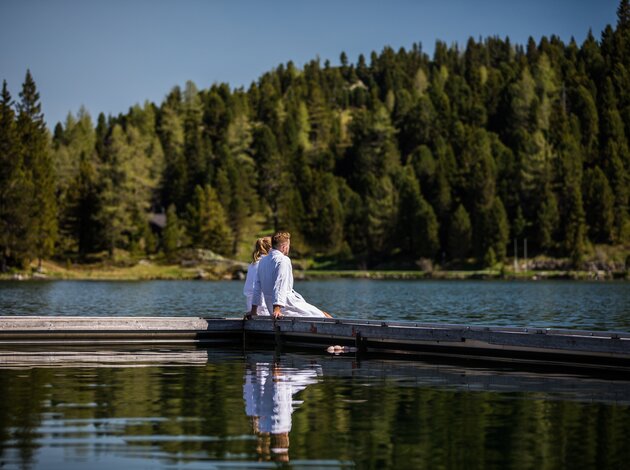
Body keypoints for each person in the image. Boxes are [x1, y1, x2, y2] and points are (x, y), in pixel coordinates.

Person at [249, 231, 332, 319]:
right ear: (284, 247)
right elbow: (280, 283)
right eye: (289, 246)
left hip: (273, 306)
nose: (289, 248)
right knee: (325, 315)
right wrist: (277, 309)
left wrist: (254, 311)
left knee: (321, 313)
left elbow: (257, 287)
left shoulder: (262, 261)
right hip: (286, 306)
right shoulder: (283, 260)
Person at [243, 237, 272, 316]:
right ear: (270, 249)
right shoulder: (265, 264)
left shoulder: (252, 264)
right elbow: (258, 289)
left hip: (251, 306)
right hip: (261, 308)